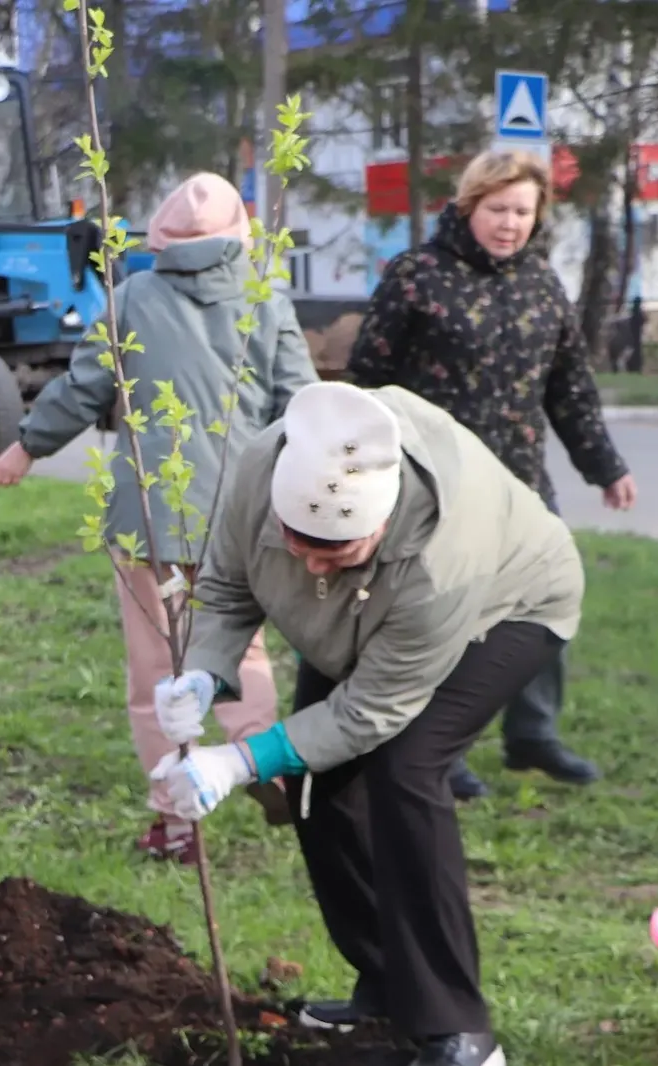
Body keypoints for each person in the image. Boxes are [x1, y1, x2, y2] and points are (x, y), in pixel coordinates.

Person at [151, 380, 584, 1066]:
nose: (315, 563)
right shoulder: (260, 471)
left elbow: (374, 711)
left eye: (338, 552)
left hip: (509, 605)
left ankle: (458, 1027)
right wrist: (204, 670)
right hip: (354, 624)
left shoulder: (442, 557)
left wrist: (237, 762)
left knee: (403, 771)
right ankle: (385, 982)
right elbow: (231, 584)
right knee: (317, 788)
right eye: (300, 546)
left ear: (378, 524)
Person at [0, 172, 319, 862]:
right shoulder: (265, 302)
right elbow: (301, 404)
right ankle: (266, 763)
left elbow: (84, 388)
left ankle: (175, 826)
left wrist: (25, 446)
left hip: (151, 515)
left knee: (159, 674)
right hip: (242, 514)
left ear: (162, 237)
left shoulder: (132, 298)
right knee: (239, 649)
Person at [346, 148, 635, 799]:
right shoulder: (417, 275)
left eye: (522, 212)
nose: (510, 223)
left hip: (523, 482)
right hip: (437, 487)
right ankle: (441, 752)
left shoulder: (541, 284)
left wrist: (606, 468)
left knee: (543, 603)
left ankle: (533, 735)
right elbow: (369, 379)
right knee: (451, 618)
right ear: (469, 206)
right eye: (498, 209)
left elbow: (570, 390)